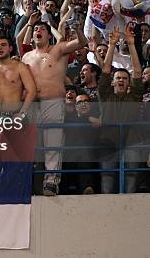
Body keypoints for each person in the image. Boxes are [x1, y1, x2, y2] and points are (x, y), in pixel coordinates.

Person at [21, 21, 86, 196]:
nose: (37, 31)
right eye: (35, 29)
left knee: (53, 144)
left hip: (53, 101)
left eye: (42, 29)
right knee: (32, 146)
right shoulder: (26, 57)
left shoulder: (58, 50)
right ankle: (31, 182)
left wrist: (78, 29)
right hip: (32, 103)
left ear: (49, 35)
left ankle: (51, 182)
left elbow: (81, 43)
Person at [97, 26, 144, 194]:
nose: (122, 80)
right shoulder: (105, 94)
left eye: (125, 78)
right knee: (107, 179)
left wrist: (131, 44)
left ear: (129, 83)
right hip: (108, 143)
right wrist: (111, 45)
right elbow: (105, 70)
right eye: (118, 78)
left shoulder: (135, 97)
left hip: (132, 143)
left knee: (131, 178)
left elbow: (138, 72)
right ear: (112, 82)